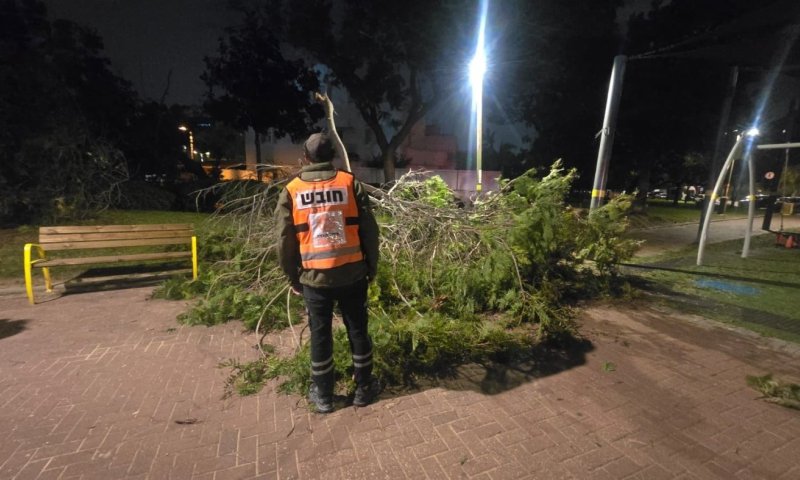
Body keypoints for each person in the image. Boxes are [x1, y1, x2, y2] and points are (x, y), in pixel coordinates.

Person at [275, 132, 380, 413]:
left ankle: (323, 395)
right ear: (332, 156)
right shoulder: (349, 182)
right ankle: (364, 388)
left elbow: (285, 240)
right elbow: (369, 230)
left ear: (306, 157)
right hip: (353, 274)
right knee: (358, 330)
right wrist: (371, 266)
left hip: (314, 279)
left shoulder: (292, 190)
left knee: (320, 335)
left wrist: (292, 276)